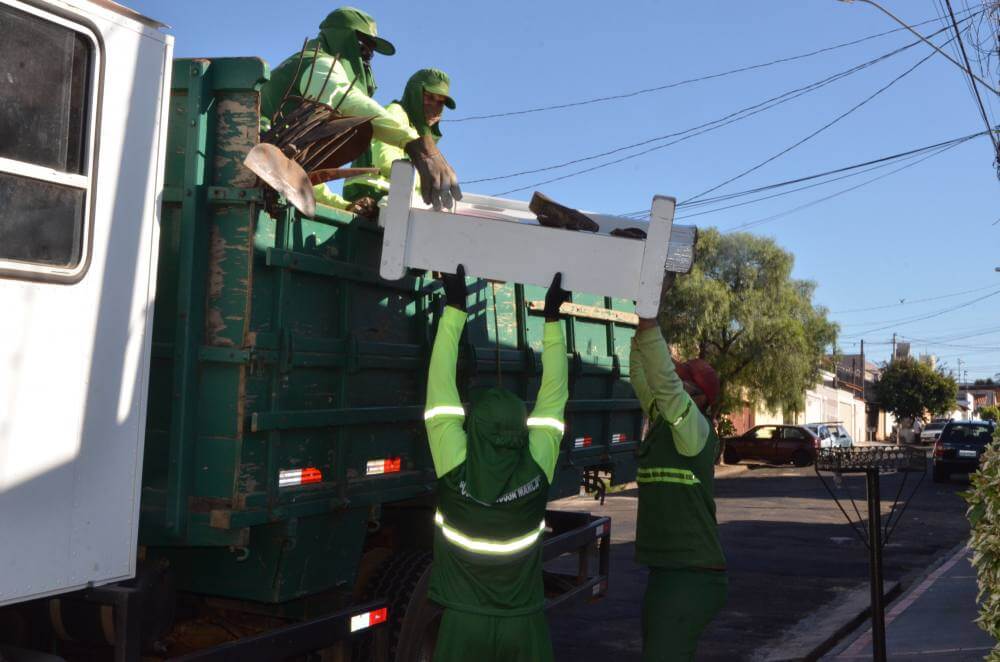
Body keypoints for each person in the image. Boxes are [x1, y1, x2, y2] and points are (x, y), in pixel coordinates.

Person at [423, 266, 570, 662]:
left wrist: (454, 310)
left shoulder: (455, 466)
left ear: (472, 426)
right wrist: (552, 321)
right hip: (523, 624)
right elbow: (554, 398)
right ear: (524, 429)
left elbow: (440, 388)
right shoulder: (537, 466)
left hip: (462, 625)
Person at [260, 7, 461, 210]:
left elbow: (302, 176)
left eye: (371, 53)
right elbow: (348, 100)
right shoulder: (317, 63)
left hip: (267, 170)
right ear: (342, 39)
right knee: (358, 128)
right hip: (256, 161)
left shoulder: (313, 85)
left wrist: (343, 207)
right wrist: (415, 143)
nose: (367, 59)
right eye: (363, 48)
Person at [630, 314, 727, 661]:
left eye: (685, 383)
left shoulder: (693, 430)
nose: (677, 384)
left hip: (691, 577)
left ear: (700, 398)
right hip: (669, 572)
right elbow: (641, 375)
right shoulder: (663, 420)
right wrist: (638, 331)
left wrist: (649, 324)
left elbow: (664, 386)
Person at [342, 68, 456, 214]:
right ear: (413, 95)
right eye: (429, 97)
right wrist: (429, 176)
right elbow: (386, 161)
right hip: (370, 200)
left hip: (393, 205)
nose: (434, 106)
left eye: (441, 102)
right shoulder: (396, 113)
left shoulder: (418, 131)